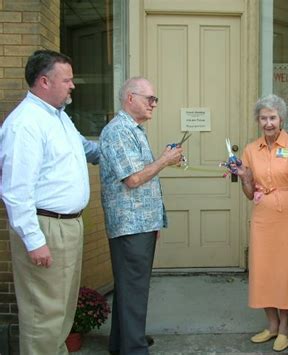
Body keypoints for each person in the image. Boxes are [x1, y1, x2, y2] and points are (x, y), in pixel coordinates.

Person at [0, 49, 99, 354]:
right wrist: (34, 240)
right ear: (44, 81)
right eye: (67, 80)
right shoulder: (25, 124)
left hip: (67, 226)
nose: (72, 85)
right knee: (43, 314)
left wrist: (125, 145)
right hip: (46, 227)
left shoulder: (58, 118)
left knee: (61, 310)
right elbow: (16, 191)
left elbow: (87, 149)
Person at [99, 77, 183, 355]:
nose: (154, 104)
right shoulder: (119, 131)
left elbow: (138, 174)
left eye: (155, 99)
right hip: (130, 225)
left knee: (129, 287)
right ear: (130, 98)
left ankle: (122, 342)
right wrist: (164, 161)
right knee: (134, 288)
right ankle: (133, 349)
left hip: (140, 222)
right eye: (150, 99)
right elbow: (133, 179)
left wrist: (161, 159)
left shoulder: (133, 130)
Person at [231, 94, 288, 352]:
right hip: (263, 217)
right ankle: (271, 325)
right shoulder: (252, 150)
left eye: (272, 117)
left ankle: (286, 327)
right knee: (262, 268)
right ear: (258, 121)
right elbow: (250, 192)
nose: (268, 123)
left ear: (281, 119)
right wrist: (243, 177)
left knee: (286, 270)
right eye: (263, 118)